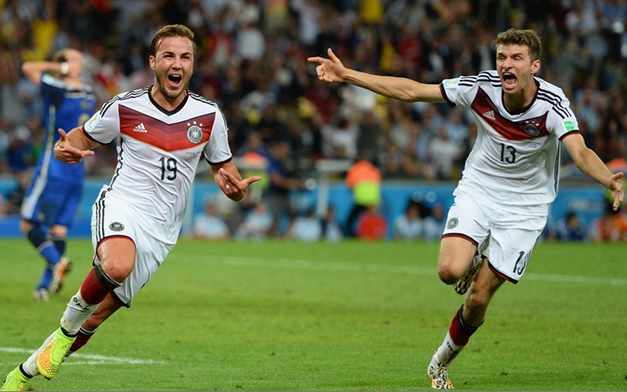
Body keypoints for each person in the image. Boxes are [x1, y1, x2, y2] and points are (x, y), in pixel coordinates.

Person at [308, 28, 624, 389]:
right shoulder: (479, 87)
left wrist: (607, 179)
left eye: (516, 58)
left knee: (478, 298)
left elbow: (580, 152)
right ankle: (473, 259)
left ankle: (440, 361)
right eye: (502, 56)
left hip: (526, 207)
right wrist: (348, 74)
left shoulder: (552, 105)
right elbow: (412, 90)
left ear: (534, 66)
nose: (506, 64)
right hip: (480, 189)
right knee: (448, 270)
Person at [0, 24, 261, 391]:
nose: (177, 63)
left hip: (163, 230)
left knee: (94, 318)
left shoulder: (209, 116)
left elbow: (226, 172)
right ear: (153, 62)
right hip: (123, 203)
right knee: (117, 265)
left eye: (185, 57)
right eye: (169, 55)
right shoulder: (124, 107)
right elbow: (77, 138)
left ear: (193, 64)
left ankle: (21, 376)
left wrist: (234, 190)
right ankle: (61, 335)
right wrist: (64, 149)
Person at [19, 48, 98, 301]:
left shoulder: (58, 88)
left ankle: (58, 261)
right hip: (77, 170)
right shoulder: (90, 94)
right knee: (59, 230)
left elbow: (28, 68)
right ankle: (43, 287)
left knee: (27, 224)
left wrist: (61, 69)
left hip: (52, 166)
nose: (80, 61)